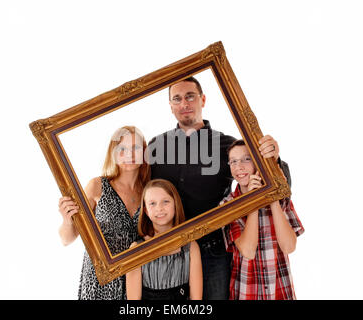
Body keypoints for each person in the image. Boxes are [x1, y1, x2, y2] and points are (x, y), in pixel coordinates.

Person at [148, 76, 291, 300]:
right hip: (169, 251)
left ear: (203, 100)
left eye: (190, 96)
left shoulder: (227, 146)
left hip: (213, 251)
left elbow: (279, 186)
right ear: (170, 106)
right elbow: (140, 189)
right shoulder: (156, 146)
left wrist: (275, 159)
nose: (184, 103)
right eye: (177, 98)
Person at [58, 126, 150, 300]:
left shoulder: (150, 191)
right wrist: (67, 220)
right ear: (114, 153)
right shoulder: (97, 186)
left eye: (135, 148)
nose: (129, 155)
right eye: (122, 149)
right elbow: (66, 239)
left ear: (144, 151)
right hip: (99, 279)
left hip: (136, 282)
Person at [220, 139, 304, 300]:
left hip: (280, 289)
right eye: (233, 161)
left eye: (246, 159)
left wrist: (270, 196)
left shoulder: (281, 197)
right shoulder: (228, 205)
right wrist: (254, 201)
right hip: (246, 291)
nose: (239, 167)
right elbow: (248, 251)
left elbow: (289, 246)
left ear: (258, 162)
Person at [126, 179, 202, 300]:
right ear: (145, 210)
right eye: (152, 203)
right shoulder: (136, 249)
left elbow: (196, 299)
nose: (159, 208)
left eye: (165, 202)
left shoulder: (191, 247)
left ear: (175, 204)